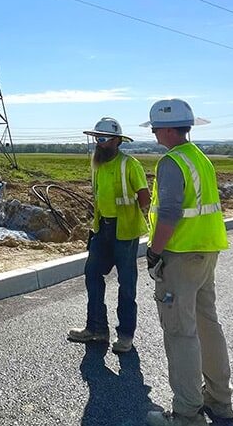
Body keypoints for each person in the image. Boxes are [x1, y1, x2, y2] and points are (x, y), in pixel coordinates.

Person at [142, 99, 233, 426]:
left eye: (155, 127)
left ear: (168, 129)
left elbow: (168, 213)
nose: (153, 132)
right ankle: (219, 401)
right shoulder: (200, 159)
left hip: (180, 257)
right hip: (206, 252)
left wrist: (154, 251)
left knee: (180, 333)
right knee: (208, 325)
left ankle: (186, 414)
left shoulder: (171, 162)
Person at [68, 117, 150, 354]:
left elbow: (144, 199)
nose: (98, 143)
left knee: (127, 284)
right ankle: (96, 328)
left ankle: (125, 335)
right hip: (102, 229)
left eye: (102, 139)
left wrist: (129, 214)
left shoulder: (129, 165)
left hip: (125, 232)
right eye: (96, 138)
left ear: (116, 141)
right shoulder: (97, 164)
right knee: (92, 274)